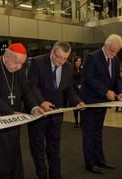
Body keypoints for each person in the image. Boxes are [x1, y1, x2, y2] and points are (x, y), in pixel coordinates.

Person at [0, 43, 45, 179]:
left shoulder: (19, 70)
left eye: (21, 64)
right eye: (16, 63)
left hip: (14, 119)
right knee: (0, 155)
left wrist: (35, 107)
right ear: (6, 56)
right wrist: (11, 112)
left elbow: (26, 90)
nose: (18, 67)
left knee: (13, 152)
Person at [27, 41, 85, 179]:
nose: (61, 61)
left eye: (65, 58)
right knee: (38, 147)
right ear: (52, 52)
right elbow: (31, 86)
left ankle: (55, 174)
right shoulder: (37, 62)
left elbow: (68, 89)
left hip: (56, 114)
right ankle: (42, 174)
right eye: (59, 57)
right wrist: (41, 102)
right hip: (38, 113)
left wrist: (77, 102)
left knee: (54, 147)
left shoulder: (68, 67)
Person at [79, 34, 122, 174]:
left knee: (98, 131)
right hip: (89, 101)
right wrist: (106, 91)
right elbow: (89, 78)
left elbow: (116, 79)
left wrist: (119, 92)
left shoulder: (116, 59)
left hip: (103, 102)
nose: (114, 54)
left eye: (117, 51)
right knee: (89, 133)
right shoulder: (92, 57)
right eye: (112, 51)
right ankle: (90, 162)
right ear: (105, 46)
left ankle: (100, 159)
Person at [72, 56, 83, 128]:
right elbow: (70, 80)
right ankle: (76, 121)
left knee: (82, 105)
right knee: (75, 106)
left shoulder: (82, 70)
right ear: (74, 62)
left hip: (82, 90)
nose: (78, 62)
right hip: (74, 89)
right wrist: (77, 86)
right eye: (77, 61)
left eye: (79, 61)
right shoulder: (71, 70)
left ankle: (81, 121)